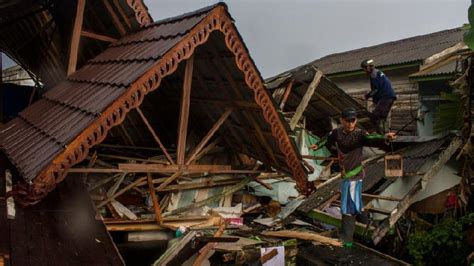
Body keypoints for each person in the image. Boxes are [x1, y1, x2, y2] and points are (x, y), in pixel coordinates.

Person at [310, 108, 396, 247]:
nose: (351, 124)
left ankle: (347, 238)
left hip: (355, 175)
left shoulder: (360, 134)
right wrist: (317, 145)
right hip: (345, 174)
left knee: (348, 206)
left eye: (353, 121)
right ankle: (366, 230)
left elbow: (372, 138)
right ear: (342, 120)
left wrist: (386, 136)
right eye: (348, 121)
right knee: (355, 202)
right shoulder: (337, 132)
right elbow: (327, 138)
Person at [361, 59, 397, 133]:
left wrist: (366, 96)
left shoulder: (373, 74)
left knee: (375, 116)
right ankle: (385, 134)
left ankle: (379, 133)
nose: (364, 70)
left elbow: (375, 89)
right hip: (390, 97)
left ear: (368, 67)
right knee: (383, 117)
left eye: (364, 68)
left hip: (385, 97)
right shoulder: (378, 72)